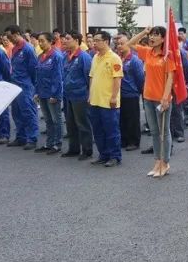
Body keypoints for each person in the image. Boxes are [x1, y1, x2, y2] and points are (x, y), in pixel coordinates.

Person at [140, 26, 176, 178]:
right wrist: (143, 32)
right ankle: (157, 161)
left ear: (163, 39)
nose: (152, 37)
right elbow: (129, 44)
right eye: (151, 35)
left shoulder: (167, 55)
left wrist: (166, 97)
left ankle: (165, 163)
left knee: (164, 132)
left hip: (162, 99)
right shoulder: (147, 52)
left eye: (156, 35)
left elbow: (170, 77)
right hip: (148, 97)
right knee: (154, 132)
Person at [87, 30, 123, 167]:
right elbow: (92, 77)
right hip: (95, 100)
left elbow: (117, 79)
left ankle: (115, 156)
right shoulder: (95, 57)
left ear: (106, 41)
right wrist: (90, 95)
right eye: (94, 41)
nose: (94, 43)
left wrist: (114, 97)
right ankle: (103, 154)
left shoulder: (114, 58)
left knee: (111, 131)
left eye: (97, 40)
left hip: (108, 102)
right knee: (98, 130)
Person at [4, 25, 39, 149]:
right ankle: (21, 137)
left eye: (10, 36)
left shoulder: (28, 49)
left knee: (28, 112)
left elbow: (33, 69)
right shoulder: (14, 49)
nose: (9, 39)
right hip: (15, 84)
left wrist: (33, 86)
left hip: (25, 85)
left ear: (17, 34)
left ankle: (32, 138)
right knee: (16, 113)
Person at [60, 32, 93, 160]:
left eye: (68, 39)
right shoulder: (65, 56)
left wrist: (89, 94)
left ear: (76, 40)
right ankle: (73, 148)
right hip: (68, 94)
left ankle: (87, 150)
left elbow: (89, 77)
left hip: (80, 95)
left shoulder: (84, 57)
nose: (65, 41)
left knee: (83, 123)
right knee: (70, 123)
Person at [34, 32, 65, 155]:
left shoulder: (57, 56)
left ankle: (57, 144)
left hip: (52, 94)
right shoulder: (40, 56)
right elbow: (38, 76)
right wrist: (36, 92)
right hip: (42, 92)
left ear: (50, 41)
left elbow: (58, 77)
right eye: (39, 41)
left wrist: (55, 94)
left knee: (56, 119)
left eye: (43, 41)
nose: (40, 43)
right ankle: (49, 143)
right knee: (48, 120)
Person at [115, 34, 145, 152]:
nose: (119, 46)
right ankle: (124, 140)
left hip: (131, 94)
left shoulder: (134, 60)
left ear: (128, 44)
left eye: (122, 43)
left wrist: (138, 91)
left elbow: (140, 78)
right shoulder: (117, 58)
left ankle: (134, 141)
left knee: (132, 119)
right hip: (119, 94)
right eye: (118, 44)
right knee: (121, 119)